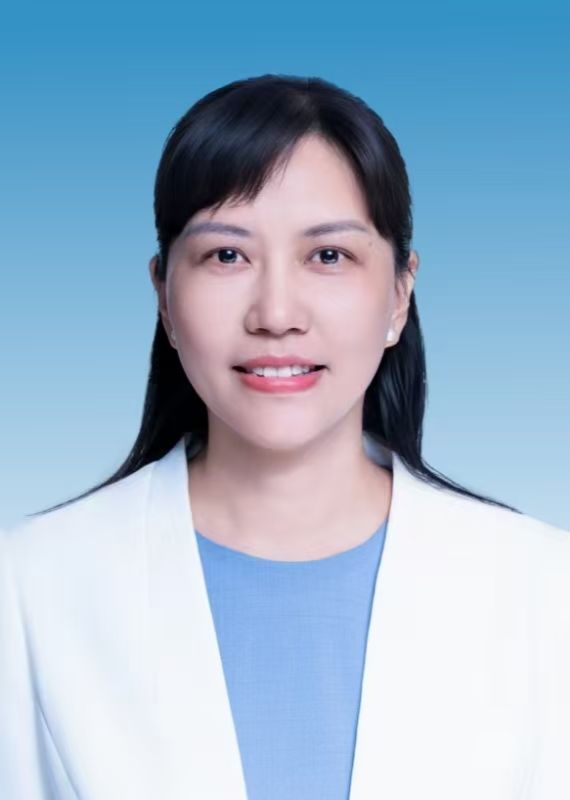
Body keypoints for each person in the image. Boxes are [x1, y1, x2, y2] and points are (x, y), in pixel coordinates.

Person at [1, 74, 568, 800]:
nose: (275, 314)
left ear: (400, 294)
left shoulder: (545, 590)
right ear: (164, 297)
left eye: (328, 256)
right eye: (226, 256)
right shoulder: (29, 587)